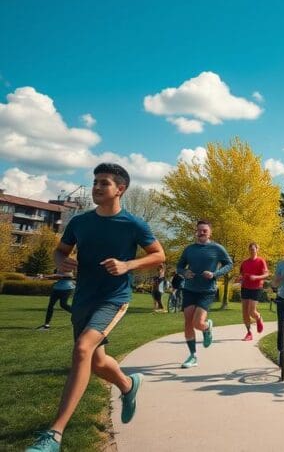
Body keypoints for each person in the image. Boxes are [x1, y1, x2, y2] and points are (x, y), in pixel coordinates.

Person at [26, 163, 165, 452]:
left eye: (104, 183)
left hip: (114, 299)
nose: (97, 187)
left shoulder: (134, 224)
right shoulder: (79, 222)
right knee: (97, 362)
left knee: (81, 350)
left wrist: (128, 264)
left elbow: (158, 255)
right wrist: (59, 260)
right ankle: (128, 385)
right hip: (83, 299)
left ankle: (54, 433)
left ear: (120, 189)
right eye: (95, 182)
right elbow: (61, 250)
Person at [176, 220, 233, 368]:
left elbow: (229, 264)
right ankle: (193, 356)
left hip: (207, 291)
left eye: (204, 230)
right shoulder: (189, 249)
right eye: (199, 230)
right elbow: (179, 266)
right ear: (196, 231)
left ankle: (206, 327)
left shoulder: (217, 248)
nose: (201, 233)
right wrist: (184, 272)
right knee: (188, 322)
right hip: (189, 289)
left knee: (197, 323)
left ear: (210, 233)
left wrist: (215, 274)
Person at [237, 242, 269, 341]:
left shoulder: (261, 261)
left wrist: (257, 277)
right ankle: (249, 333)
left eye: (253, 249)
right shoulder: (244, 262)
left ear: (257, 250)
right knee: (245, 312)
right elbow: (242, 275)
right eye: (250, 250)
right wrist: (239, 279)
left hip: (256, 288)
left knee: (251, 311)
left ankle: (258, 318)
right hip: (245, 287)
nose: (252, 251)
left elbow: (266, 274)